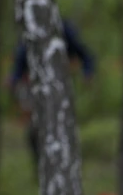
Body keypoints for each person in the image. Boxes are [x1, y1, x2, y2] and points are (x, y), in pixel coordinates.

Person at [8, 20, 97, 172]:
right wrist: (15, 79)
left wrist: (87, 72)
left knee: (59, 125)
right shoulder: (32, 29)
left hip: (60, 86)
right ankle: (41, 165)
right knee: (35, 128)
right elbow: (20, 60)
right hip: (35, 87)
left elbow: (85, 54)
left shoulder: (63, 29)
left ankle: (61, 164)